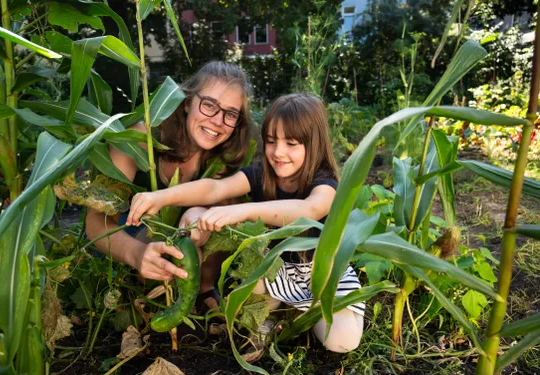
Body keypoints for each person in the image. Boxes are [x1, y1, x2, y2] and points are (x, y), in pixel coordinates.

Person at [126, 93, 364, 352]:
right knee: (250, 304)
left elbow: (308, 210)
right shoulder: (262, 174)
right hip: (277, 270)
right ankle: (279, 311)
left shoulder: (325, 182)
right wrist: (160, 197)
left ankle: (302, 309)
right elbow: (214, 189)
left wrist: (243, 211)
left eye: (291, 143)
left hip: (325, 274)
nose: (278, 152)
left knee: (342, 342)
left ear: (314, 144)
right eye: (271, 141)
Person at [85, 61, 252, 310]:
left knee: (231, 204)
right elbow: (96, 223)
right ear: (186, 103)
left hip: (181, 241)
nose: (218, 121)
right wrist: (136, 254)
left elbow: (220, 202)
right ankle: (135, 295)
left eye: (230, 114)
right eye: (209, 105)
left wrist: (202, 216)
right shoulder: (139, 140)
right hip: (123, 244)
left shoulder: (224, 156)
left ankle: (206, 290)